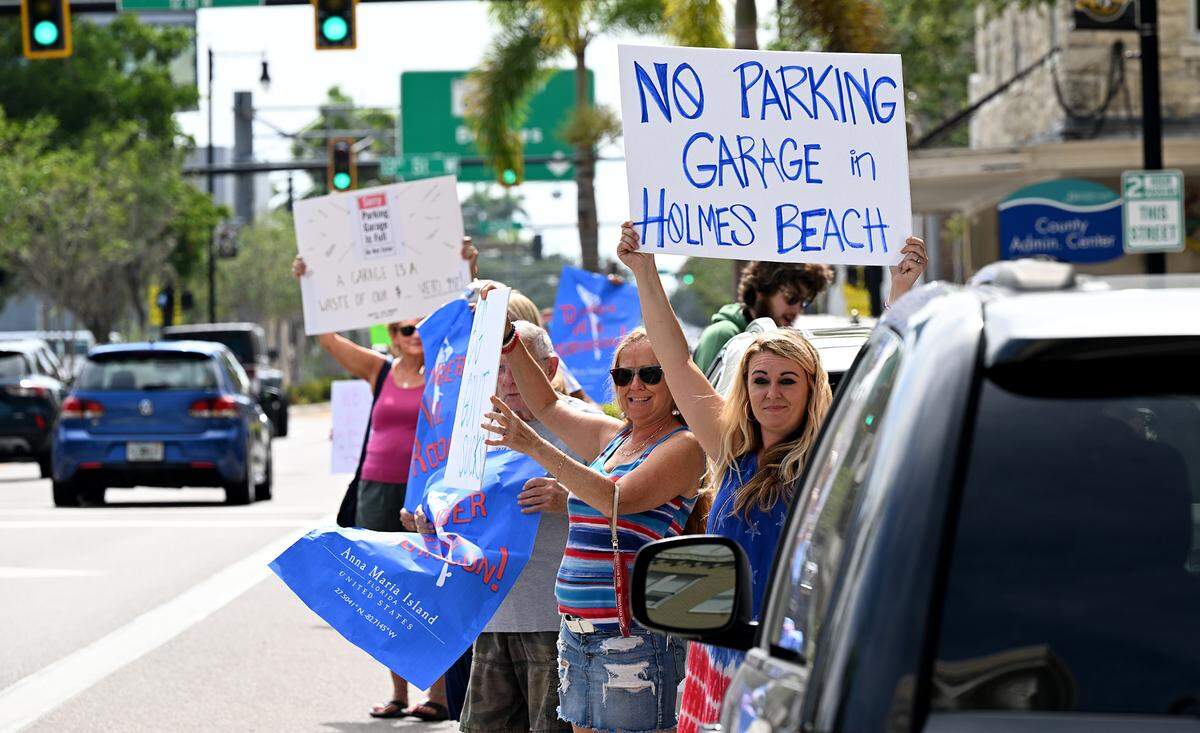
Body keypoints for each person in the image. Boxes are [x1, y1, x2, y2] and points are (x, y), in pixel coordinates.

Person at [615, 222, 927, 732]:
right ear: (746, 388)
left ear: (811, 390)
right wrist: (645, 270)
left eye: (787, 381)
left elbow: (884, 382)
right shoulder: (728, 450)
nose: (772, 393)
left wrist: (899, 292)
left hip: (795, 672)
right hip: (714, 664)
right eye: (760, 380)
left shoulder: (832, 459)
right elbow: (674, 358)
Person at [479, 288, 707, 733]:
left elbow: (615, 498)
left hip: (632, 640)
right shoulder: (616, 437)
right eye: (623, 376)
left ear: (675, 380)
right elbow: (547, 403)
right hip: (579, 635)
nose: (635, 385)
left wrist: (531, 444)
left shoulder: (683, 445)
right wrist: (507, 339)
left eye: (651, 374)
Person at [292, 240, 478, 723]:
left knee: (431, 589)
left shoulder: (449, 371)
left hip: (426, 494)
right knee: (386, 591)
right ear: (392, 337)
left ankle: (437, 694)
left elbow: (470, 321)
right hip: (376, 490)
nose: (414, 333)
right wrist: (309, 285)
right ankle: (397, 692)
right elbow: (329, 340)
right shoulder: (380, 371)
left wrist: (466, 267)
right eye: (404, 328)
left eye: (421, 326)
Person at [404, 319, 601, 733]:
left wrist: (569, 500)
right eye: (496, 368)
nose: (508, 380)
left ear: (549, 370)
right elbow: (455, 512)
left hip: (556, 620)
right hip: (492, 617)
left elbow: (626, 507)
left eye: (517, 366)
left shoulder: (584, 425)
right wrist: (429, 523)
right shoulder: (477, 428)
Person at [692, 261, 835, 374]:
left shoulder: (779, 342)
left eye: (804, 302)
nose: (797, 309)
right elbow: (699, 404)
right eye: (791, 297)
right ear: (762, 290)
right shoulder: (722, 335)